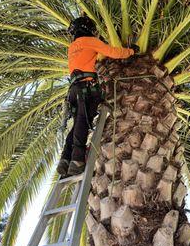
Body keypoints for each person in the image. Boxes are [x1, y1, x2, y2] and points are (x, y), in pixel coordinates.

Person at [57, 16, 136, 178]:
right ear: (88, 29)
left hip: (73, 90)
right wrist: (131, 51)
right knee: (82, 123)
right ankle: (77, 160)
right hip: (86, 89)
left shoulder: (72, 47)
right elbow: (113, 52)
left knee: (77, 124)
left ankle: (65, 159)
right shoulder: (90, 41)